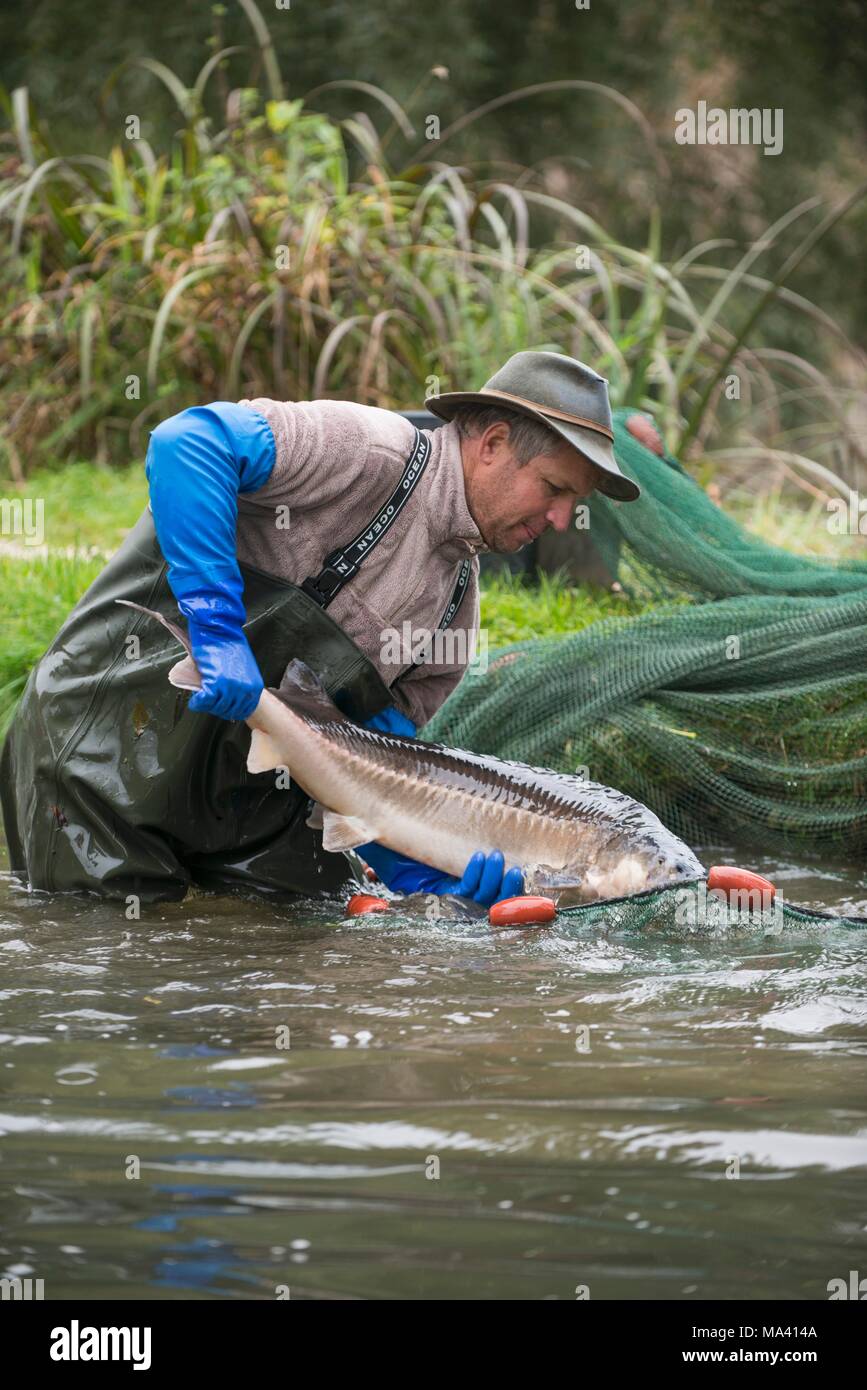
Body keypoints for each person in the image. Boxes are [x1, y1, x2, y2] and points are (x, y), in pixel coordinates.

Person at [0, 351, 640, 906]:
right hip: (101, 760)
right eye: (554, 489)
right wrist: (218, 632)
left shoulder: (454, 614)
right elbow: (186, 443)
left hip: (242, 820)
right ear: (494, 444)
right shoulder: (366, 449)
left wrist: (433, 877)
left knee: (268, 973)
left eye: (572, 504)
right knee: (119, 981)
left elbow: (374, 782)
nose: (560, 520)